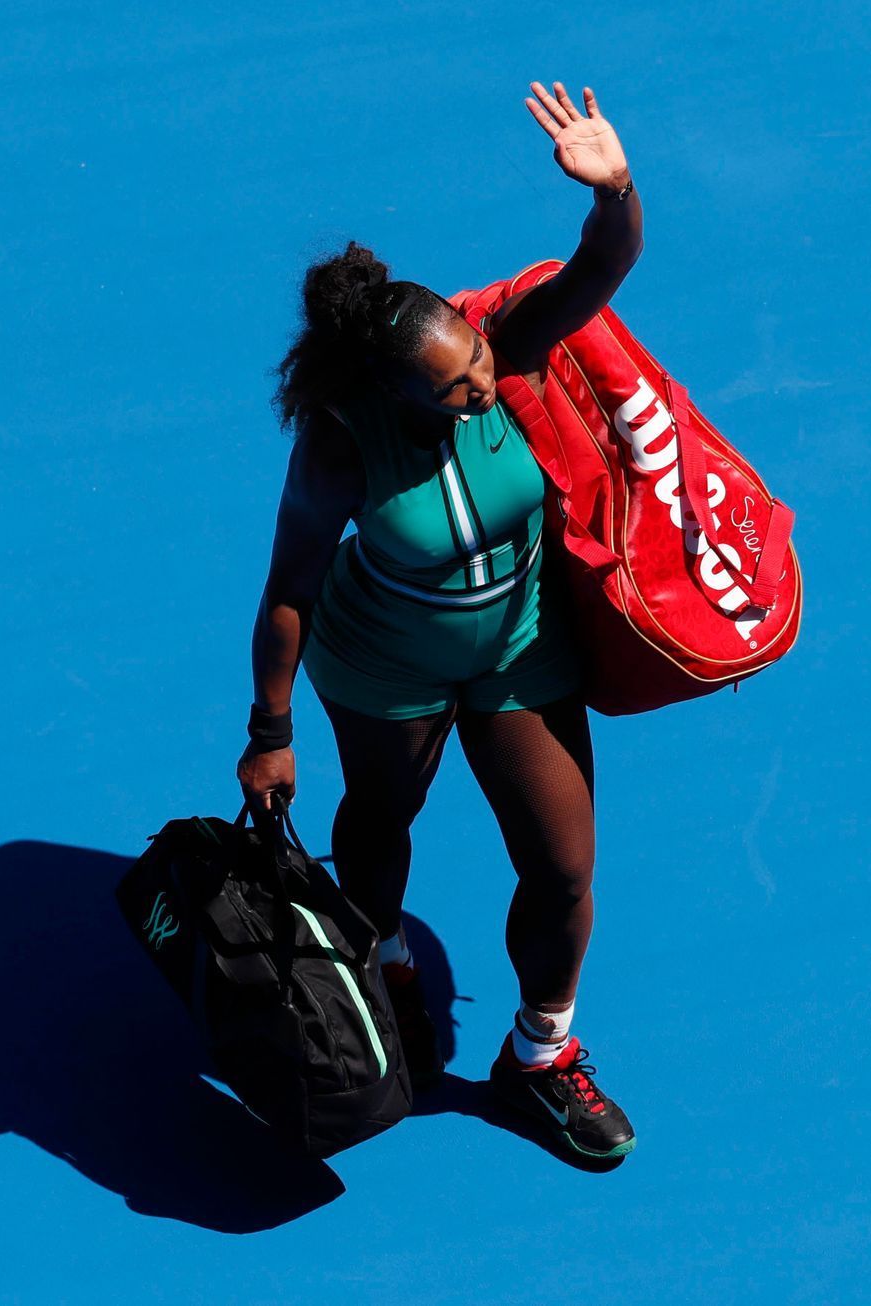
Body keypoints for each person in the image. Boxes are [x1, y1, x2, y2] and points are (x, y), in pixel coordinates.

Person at [236, 81, 643, 1161]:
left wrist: (613, 190)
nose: (483, 386)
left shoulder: (506, 345)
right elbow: (289, 588)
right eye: (456, 385)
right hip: (385, 663)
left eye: (477, 360)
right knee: (378, 826)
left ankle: (540, 1056)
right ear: (392, 391)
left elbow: (601, 268)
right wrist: (270, 731)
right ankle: (383, 978)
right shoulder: (339, 447)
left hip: (517, 645)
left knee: (563, 866)